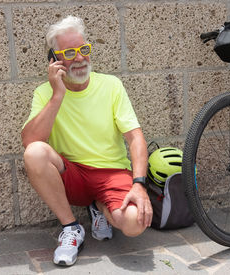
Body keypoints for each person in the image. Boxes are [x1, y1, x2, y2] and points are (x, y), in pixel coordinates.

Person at [21, 15, 152, 266]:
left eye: (83, 49)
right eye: (69, 52)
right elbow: (30, 141)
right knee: (35, 153)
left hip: (112, 173)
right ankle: (71, 228)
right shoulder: (44, 93)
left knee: (135, 223)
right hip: (72, 175)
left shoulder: (111, 85)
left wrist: (138, 184)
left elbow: (135, 137)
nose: (80, 57)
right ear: (55, 59)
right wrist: (58, 95)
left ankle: (100, 207)